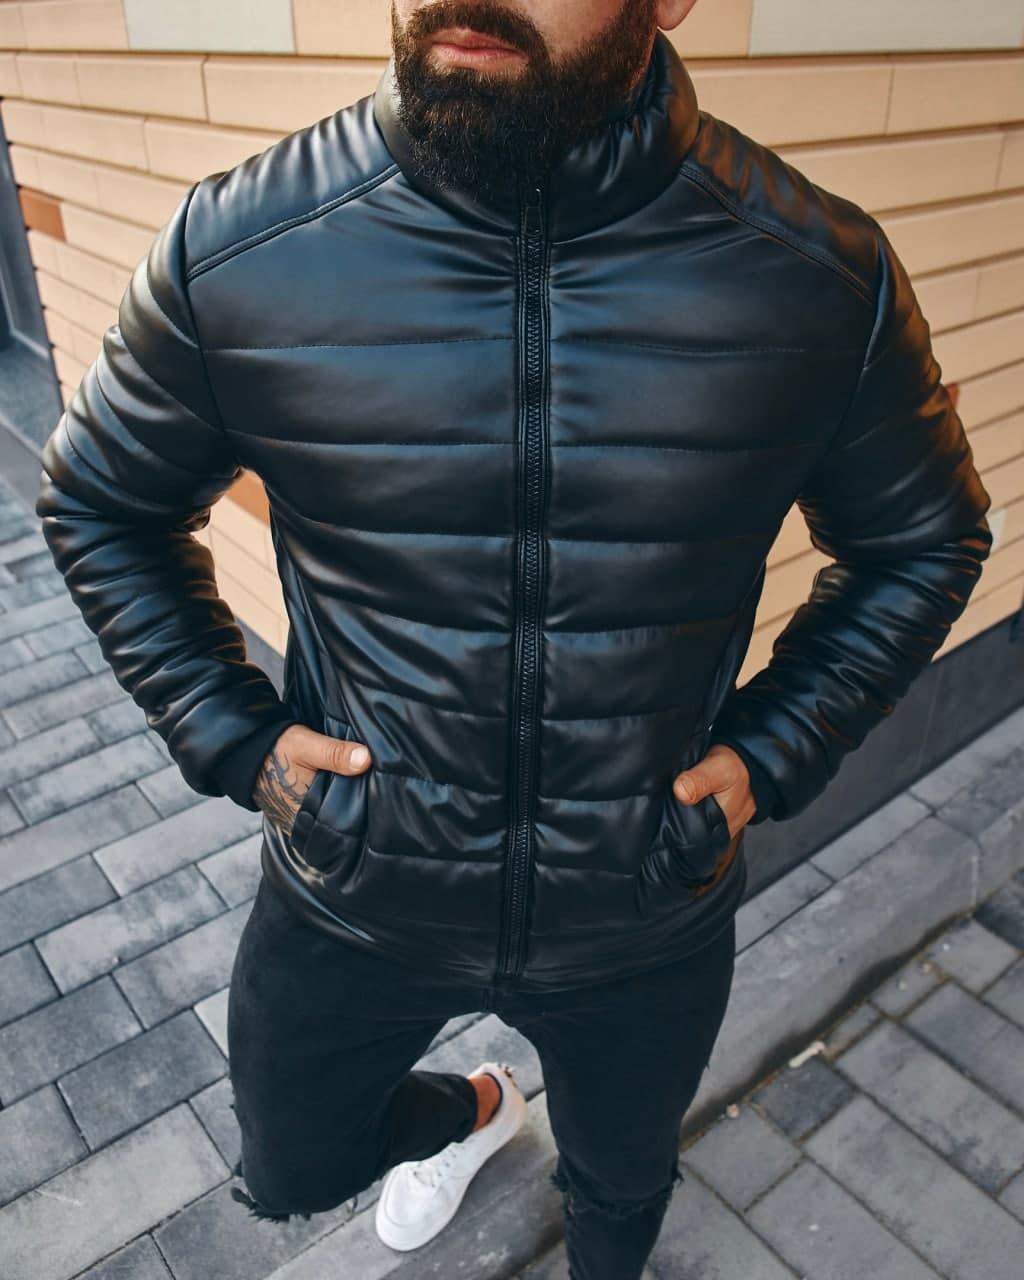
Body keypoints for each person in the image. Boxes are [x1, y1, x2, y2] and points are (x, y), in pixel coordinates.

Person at [35, 2, 993, 1276]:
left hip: (641, 902)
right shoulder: (238, 247)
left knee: (620, 1188)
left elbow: (923, 542)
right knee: (290, 1169)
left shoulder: (818, 272)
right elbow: (100, 501)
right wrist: (235, 735)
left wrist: (773, 751)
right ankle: (477, 1110)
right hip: (357, 889)